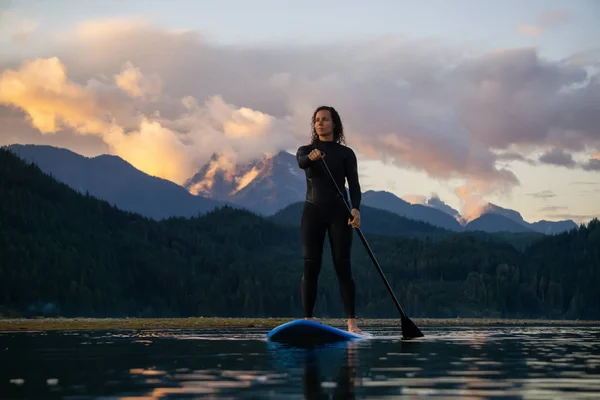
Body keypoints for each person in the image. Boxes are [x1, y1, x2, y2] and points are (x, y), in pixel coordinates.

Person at [295, 105, 362, 333]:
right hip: (312, 214)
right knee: (311, 265)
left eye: (325, 119)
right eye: (317, 120)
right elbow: (301, 162)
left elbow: (354, 186)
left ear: (334, 124)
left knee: (342, 265)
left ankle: (352, 322)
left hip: (339, 214)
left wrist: (356, 209)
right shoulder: (306, 150)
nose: (320, 123)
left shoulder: (346, 153)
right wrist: (311, 157)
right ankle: (308, 319)